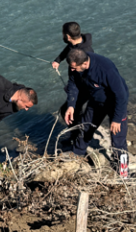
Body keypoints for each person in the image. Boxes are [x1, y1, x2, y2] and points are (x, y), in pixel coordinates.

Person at [63, 49, 130, 178]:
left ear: (84, 64)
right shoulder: (75, 68)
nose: (71, 70)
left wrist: (117, 119)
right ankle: (76, 156)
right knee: (85, 127)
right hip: (96, 101)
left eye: (73, 67)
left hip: (115, 103)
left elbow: (121, 96)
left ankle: (123, 172)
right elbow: (73, 84)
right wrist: (71, 106)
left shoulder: (105, 68)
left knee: (118, 138)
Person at [52, 22, 94, 129]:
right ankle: (76, 132)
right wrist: (58, 60)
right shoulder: (74, 44)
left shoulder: (86, 53)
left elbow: (90, 75)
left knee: (66, 111)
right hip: (76, 83)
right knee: (73, 110)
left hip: (84, 88)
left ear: (68, 36)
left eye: (63, 34)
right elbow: (68, 48)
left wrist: (73, 89)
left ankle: (76, 135)